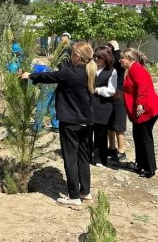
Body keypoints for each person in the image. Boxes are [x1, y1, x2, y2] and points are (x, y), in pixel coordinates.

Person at [23, 42, 97, 207]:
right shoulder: (90, 72)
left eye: (72, 53)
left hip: (70, 122)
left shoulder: (69, 73)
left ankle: (74, 196)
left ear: (77, 56)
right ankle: (85, 192)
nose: (70, 56)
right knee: (83, 158)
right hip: (87, 121)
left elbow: (48, 77)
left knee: (70, 159)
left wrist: (30, 75)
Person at [120, 48, 158, 178]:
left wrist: (140, 103)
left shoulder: (136, 69)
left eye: (122, 58)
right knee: (138, 137)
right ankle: (140, 163)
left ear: (130, 58)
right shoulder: (132, 70)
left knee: (145, 138)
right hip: (140, 110)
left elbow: (143, 86)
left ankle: (149, 168)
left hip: (147, 109)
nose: (121, 61)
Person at [91, 46, 117, 167]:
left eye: (99, 57)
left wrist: (97, 90)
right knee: (87, 131)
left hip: (103, 106)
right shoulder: (91, 68)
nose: (96, 59)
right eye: (95, 56)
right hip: (90, 104)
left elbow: (112, 90)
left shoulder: (112, 71)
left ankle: (100, 158)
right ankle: (86, 154)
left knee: (101, 133)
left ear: (106, 58)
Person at [107, 40, 127, 161]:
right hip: (108, 96)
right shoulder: (107, 64)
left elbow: (119, 59)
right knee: (109, 124)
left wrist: (117, 47)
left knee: (119, 125)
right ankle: (112, 147)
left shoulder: (119, 65)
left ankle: (122, 150)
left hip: (118, 97)